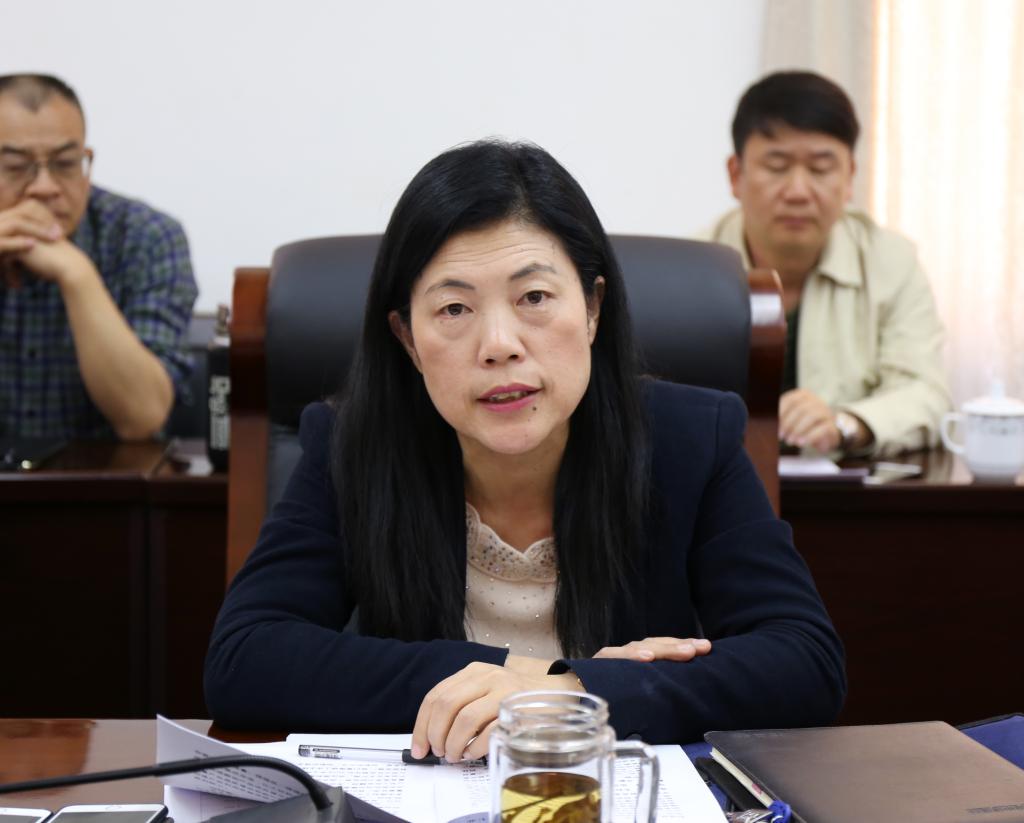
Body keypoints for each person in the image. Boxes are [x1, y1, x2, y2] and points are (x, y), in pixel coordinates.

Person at [205, 140, 845, 755]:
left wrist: (577, 691)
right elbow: (245, 660)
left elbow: (804, 662)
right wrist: (521, 677)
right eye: (454, 309)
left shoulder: (690, 439)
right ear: (406, 338)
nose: (499, 344)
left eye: (534, 297)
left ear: (592, 308)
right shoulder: (352, 446)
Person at [700, 71, 950, 457]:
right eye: (777, 166)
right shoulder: (692, 267)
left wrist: (847, 424)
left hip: (839, 487)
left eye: (820, 169)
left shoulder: (891, 263)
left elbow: (926, 392)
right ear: (736, 175)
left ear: (849, 177)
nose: (798, 191)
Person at [0, 73, 197, 440]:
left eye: (65, 163)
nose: (45, 187)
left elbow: (142, 417)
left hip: (105, 476)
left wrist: (77, 275)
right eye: (14, 166)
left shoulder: (145, 236)